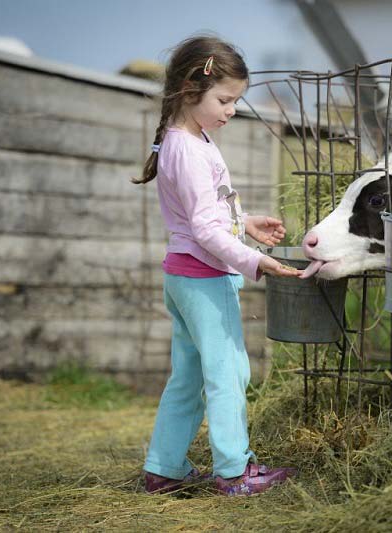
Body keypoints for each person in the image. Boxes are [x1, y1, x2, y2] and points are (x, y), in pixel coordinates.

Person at [132, 35, 301, 496]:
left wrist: (245, 222)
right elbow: (206, 231)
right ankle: (234, 471)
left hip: (184, 274)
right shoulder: (188, 150)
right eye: (225, 100)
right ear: (191, 91)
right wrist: (256, 261)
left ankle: (164, 468)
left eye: (235, 101)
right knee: (228, 373)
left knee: (188, 374)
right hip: (204, 278)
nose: (231, 110)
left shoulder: (187, 139)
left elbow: (202, 217)